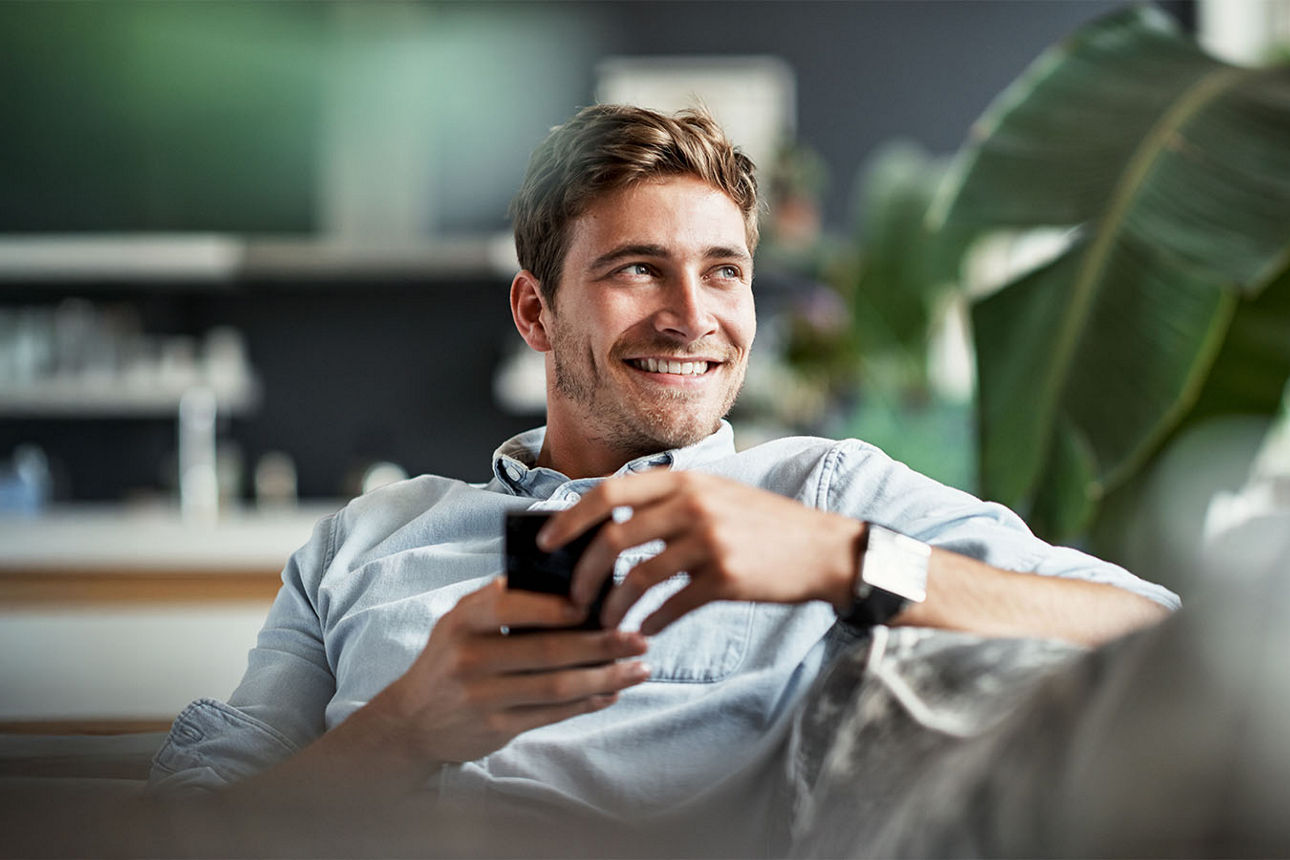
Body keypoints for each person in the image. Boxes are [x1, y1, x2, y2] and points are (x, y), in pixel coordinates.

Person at [146, 104, 1177, 853]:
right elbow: (196, 826)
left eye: (724, 269)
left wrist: (846, 557)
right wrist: (407, 725)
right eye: (638, 267)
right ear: (536, 312)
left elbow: (1151, 625)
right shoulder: (359, 541)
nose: (695, 314)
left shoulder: (821, 489)